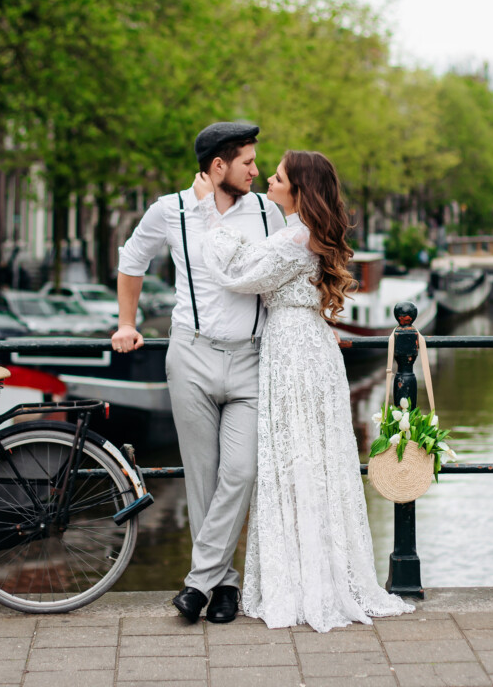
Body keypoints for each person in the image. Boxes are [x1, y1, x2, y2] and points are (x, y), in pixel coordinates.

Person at [191, 150, 414, 632]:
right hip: (310, 347)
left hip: (293, 353)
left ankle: (304, 582)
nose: (268, 180)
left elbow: (238, 274)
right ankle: (317, 572)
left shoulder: (294, 237)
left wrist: (210, 210)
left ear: (297, 191)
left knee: (297, 461)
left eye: (278, 177)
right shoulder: (302, 232)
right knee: (314, 461)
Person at [113, 121, 281, 624]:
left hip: (251, 358)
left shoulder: (268, 213)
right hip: (190, 356)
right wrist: (126, 323)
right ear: (217, 166)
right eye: (248, 162)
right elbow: (131, 259)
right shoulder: (170, 210)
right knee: (202, 481)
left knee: (241, 472)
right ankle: (223, 587)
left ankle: (197, 582)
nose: (257, 170)